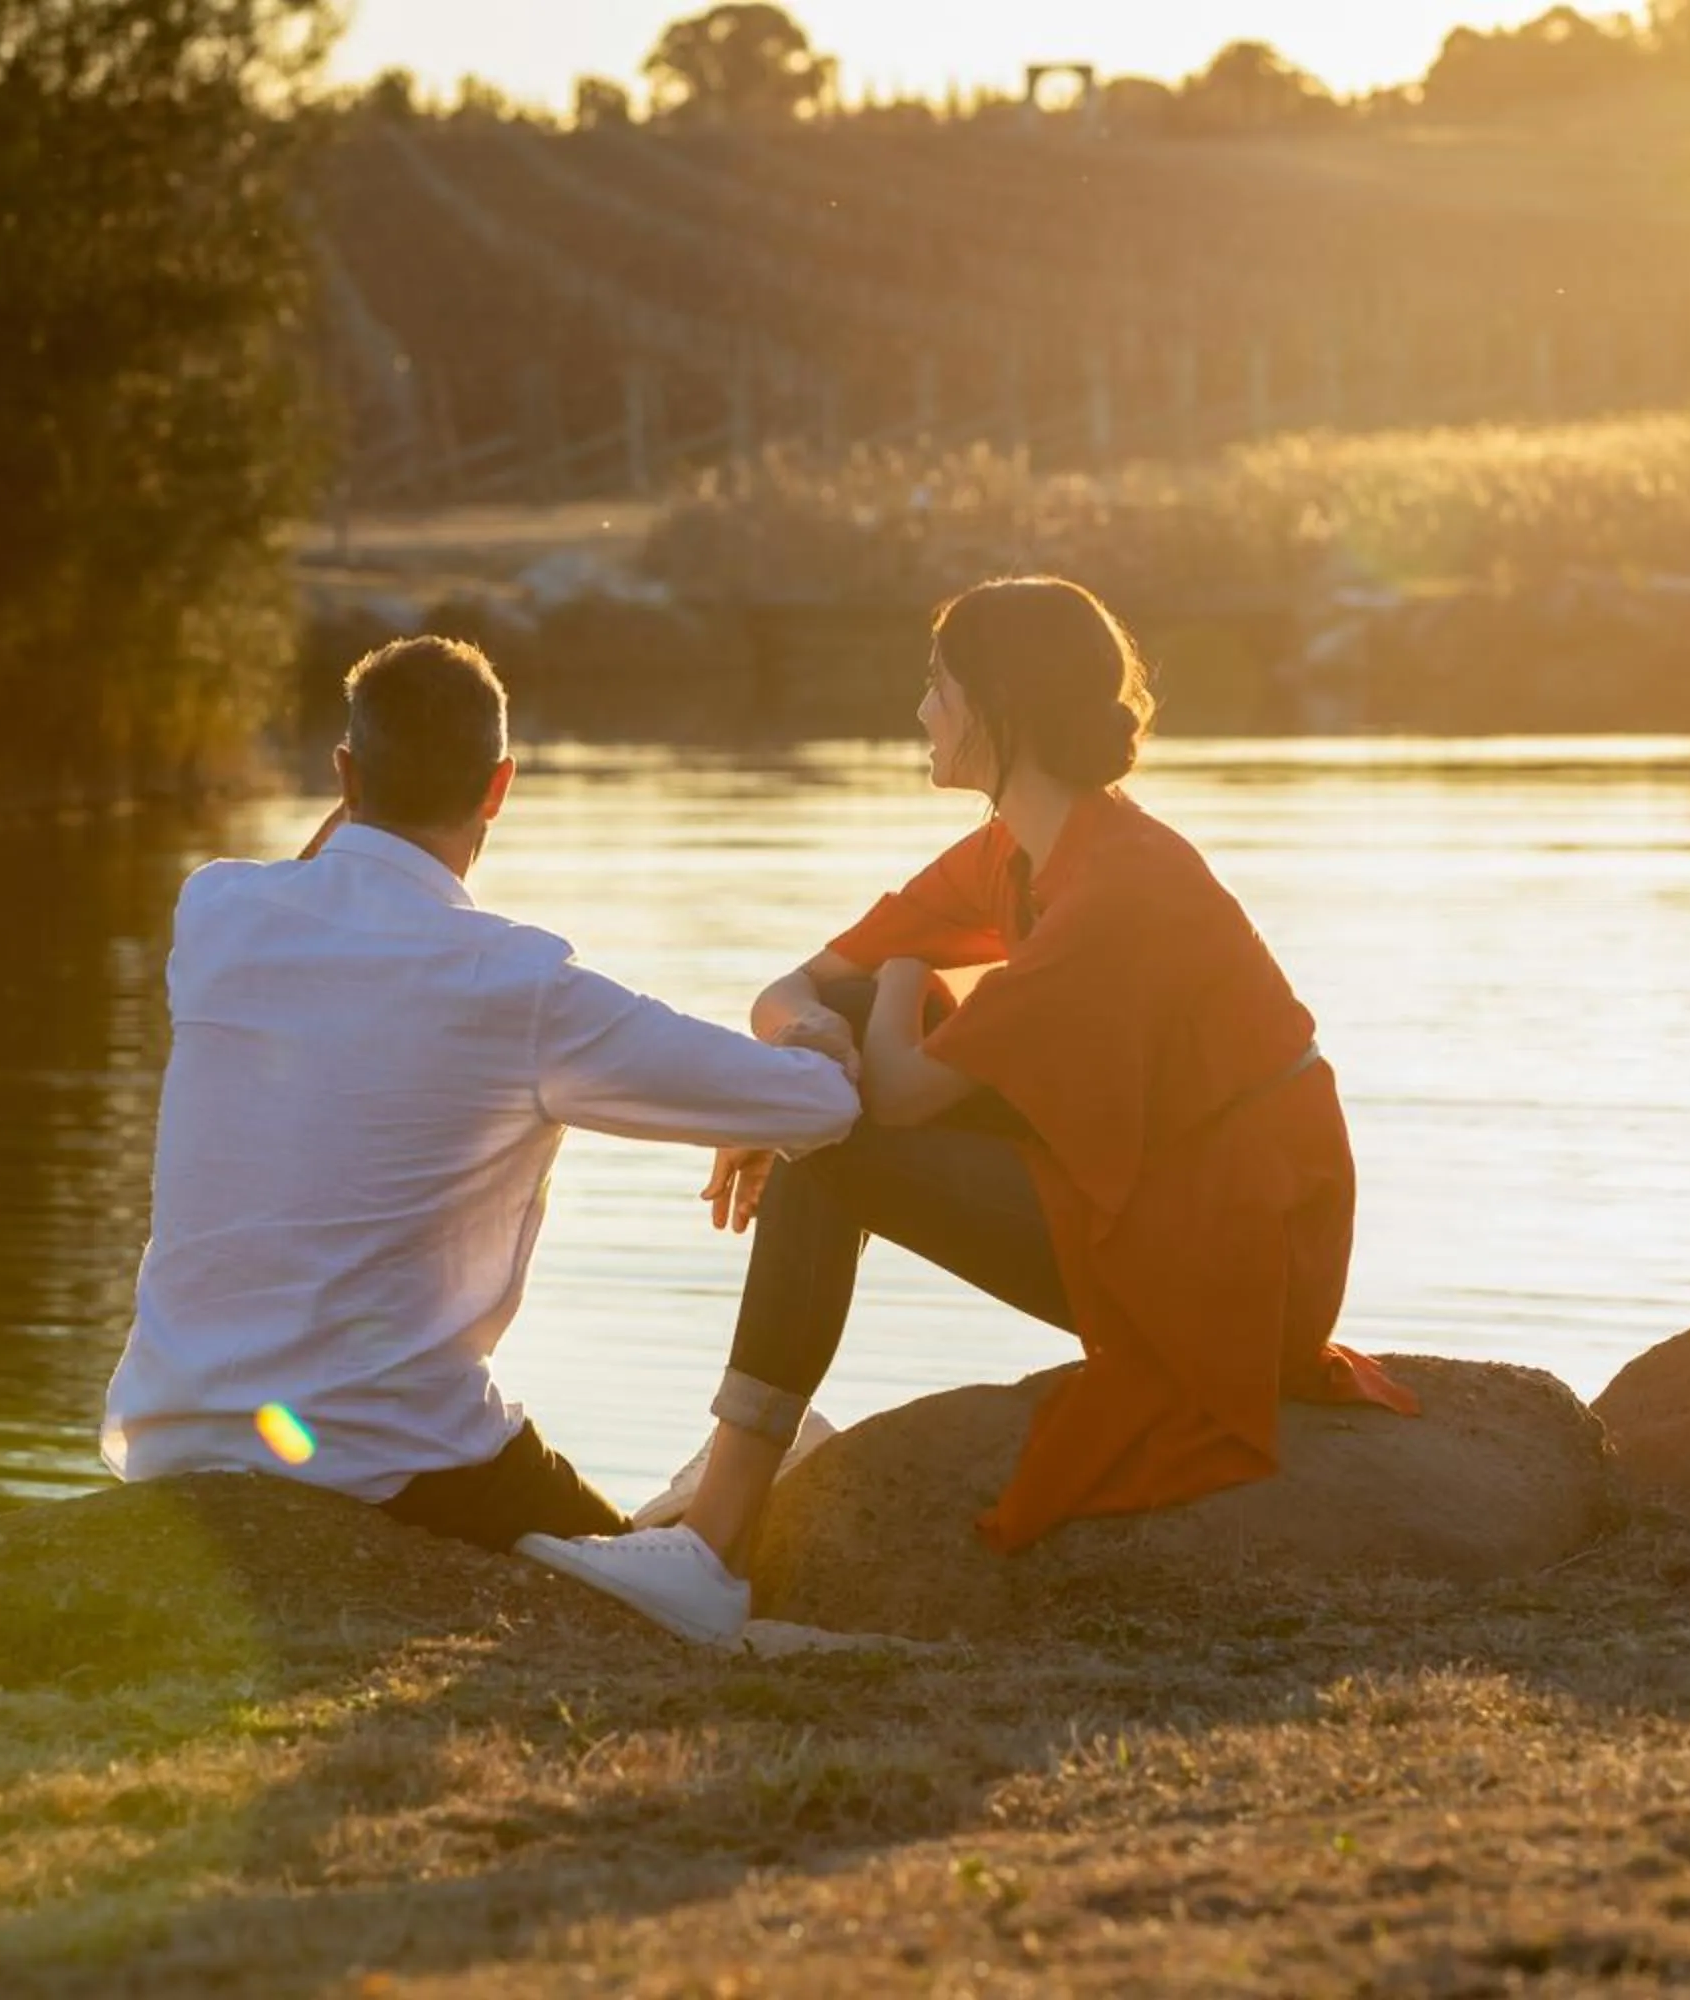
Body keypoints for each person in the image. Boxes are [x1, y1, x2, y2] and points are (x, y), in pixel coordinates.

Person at [522, 577, 1417, 1643]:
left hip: (1236, 1261)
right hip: (1155, 1195)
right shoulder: (1019, 849)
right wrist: (810, 1053)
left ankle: (715, 1540)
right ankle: (743, 1478)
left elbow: (894, 1093)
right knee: (843, 1040)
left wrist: (860, 1017)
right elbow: (792, 991)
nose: (920, 713)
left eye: (937, 688)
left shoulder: (1122, 884)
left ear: (999, 707)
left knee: (840, 1126)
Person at [100, 636, 862, 1560]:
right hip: (396, 1459)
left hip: (170, 1436)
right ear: (499, 788)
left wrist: (358, 802)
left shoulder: (215, 911)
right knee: (649, 1585)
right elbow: (823, 1109)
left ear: (345, 773)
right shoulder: (518, 983)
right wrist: (817, 1026)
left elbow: (312, 881)